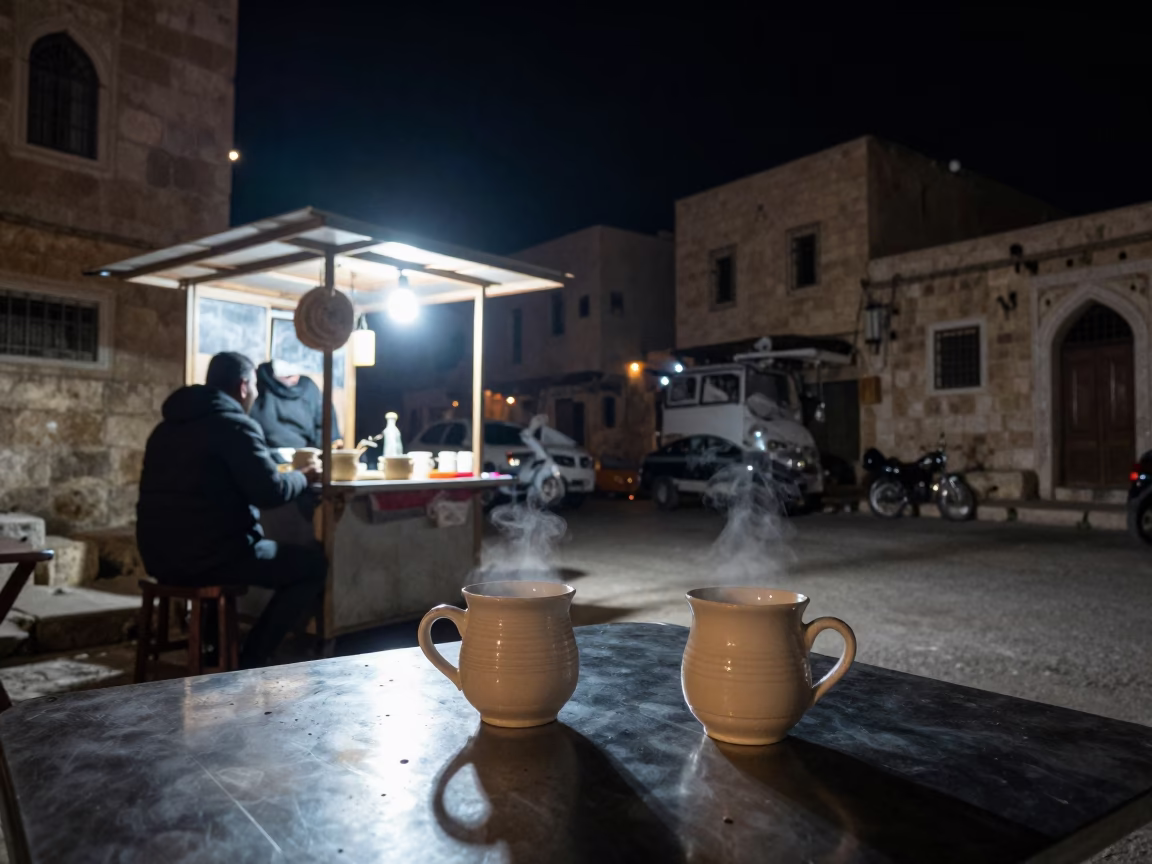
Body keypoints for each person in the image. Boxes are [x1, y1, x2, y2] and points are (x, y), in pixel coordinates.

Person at [136, 351, 326, 668]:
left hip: (158, 556)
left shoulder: (165, 429)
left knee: (212, 541)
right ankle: (250, 658)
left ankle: (215, 648)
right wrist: (304, 477)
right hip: (211, 559)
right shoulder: (235, 426)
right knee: (313, 566)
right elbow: (270, 491)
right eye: (254, 388)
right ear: (243, 386)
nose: (255, 395)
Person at [249, 360, 342, 459]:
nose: (294, 378)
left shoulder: (309, 387)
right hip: (272, 456)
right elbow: (265, 427)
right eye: (288, 376)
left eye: (296, 374)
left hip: (312, 455)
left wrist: (318, 451)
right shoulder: (261, 390)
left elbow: (326, 422)